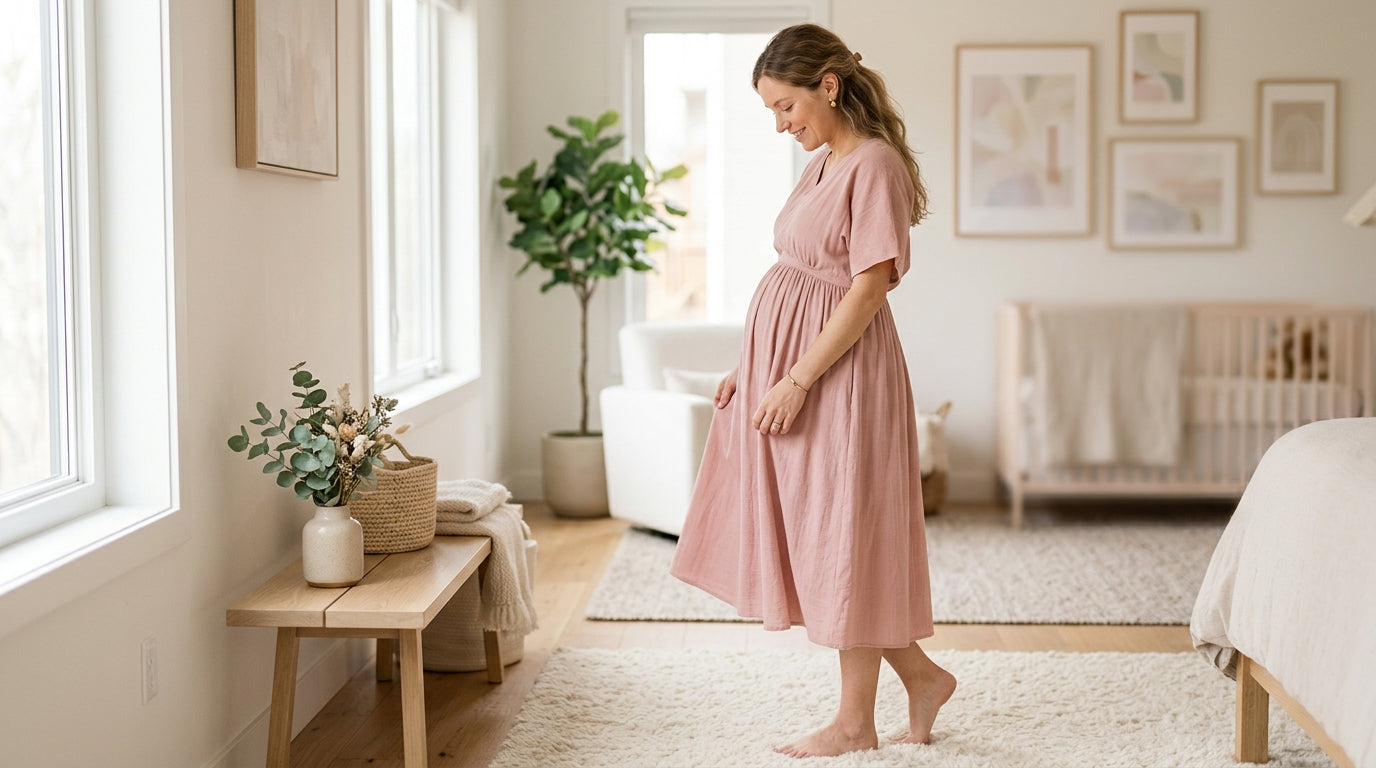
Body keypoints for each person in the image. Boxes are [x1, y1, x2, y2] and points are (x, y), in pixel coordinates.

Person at [668, 23, 956, 759]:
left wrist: (795, 378)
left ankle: (856, 725)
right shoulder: (826, 161)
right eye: (769, 110)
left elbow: (864, 289)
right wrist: (751, 363)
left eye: (785, 106)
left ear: (827, 86)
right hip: (799, 368)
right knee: (820, 539)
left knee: (844, 539)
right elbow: (793, 279)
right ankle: (920, 679)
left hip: (842, 375)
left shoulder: (875, 166)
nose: (780, 123)